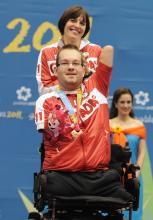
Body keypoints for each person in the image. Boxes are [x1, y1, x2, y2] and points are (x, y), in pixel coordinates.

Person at [35, 44, 132, 219]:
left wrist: (81, 44)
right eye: (64, 63)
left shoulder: (97, 89)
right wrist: (62, 128)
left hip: (100, 178)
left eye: (75, 63)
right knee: (54, 185)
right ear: (56, 70)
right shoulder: (46, 101)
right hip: (63, 177)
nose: (71, 67)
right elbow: (51, 133)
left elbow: (109, 50)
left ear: (84, 68)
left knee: (121, 189)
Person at [36, 5, 102, 96]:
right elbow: (43, 90)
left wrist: (87, 75)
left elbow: (101, 88)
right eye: (73, 21)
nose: (77, 25)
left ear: (85, 29)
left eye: (82, 23)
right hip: (58, 107)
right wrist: (69, 82)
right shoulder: (47, 52)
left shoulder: (96, 50)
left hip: (89, 107)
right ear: (64, 23)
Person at [109, 87, 147, 220]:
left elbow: (141, 153)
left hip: (132, 176)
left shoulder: (139, 125)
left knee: (133, 212)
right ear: (115, 104)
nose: (126, 105)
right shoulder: (107, 125)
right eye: (122, 102)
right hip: (111, 176)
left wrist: (137, 171)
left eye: (128, 102)